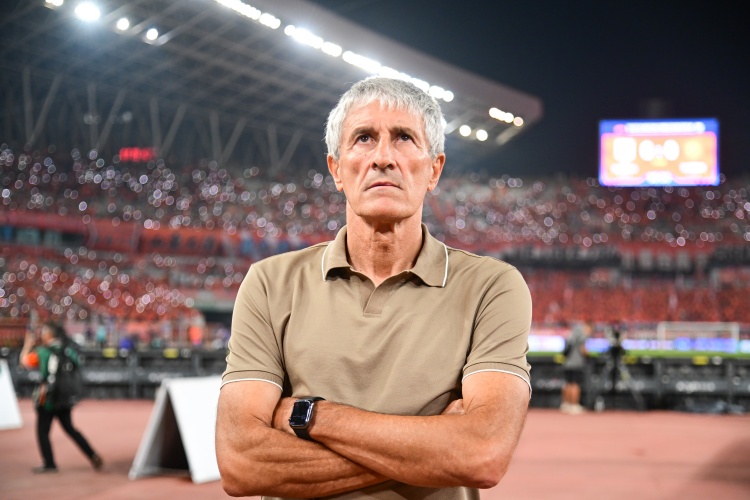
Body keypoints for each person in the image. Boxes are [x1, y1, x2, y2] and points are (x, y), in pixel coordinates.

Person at [216, 76, 532, 499]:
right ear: (336, 169)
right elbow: (241, 463)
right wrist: (433, 449)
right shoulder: (269, 283)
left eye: (404, 138)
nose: (383, 157)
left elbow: (482, 454)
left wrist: (311, 416)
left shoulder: (492, 287)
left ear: (434, 169)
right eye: (364, 138)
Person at [20, 320, 103, 473]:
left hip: (47, 399)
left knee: (43, 431)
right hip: (64, 397)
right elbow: (78, 365)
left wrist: (28, 344)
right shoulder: (68, 350)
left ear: (49, 334)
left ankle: (49, 463)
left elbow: (24, 361)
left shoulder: (43, 352)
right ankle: (92, 455)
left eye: (43, 331)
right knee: (70, 429)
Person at [560, 321, 591, 415]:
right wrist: (589, 356)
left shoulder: (571, 335)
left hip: (567, 363)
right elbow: (583, 349)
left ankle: (566, 404)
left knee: (568, 384)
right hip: (576, 363)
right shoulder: (581, 335)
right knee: (575, 384)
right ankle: (574, 405)